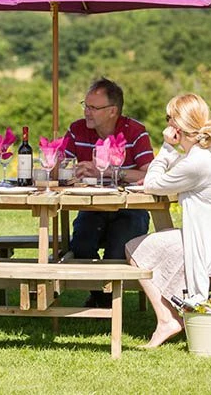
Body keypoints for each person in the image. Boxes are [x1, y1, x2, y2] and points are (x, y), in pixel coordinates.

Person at [125, 93, 211, 348]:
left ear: (177, 125)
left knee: (134, 248)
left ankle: (167, 320)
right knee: (162, 244)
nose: (166, 123)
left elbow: (152, 183)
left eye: (168, 118)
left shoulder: (197, 162)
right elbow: (182, 167)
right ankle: (175, 309)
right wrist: (171, 157)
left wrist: (166, 147)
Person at [64, 78, 154, 307]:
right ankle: (101, 298)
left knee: (118, 250)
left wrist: (112, 172)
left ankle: (106, 303)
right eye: (85, 105)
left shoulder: (135, 132)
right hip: (92, 206)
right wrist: (71, 169)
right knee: (80, 246)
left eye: (93, 108)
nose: (87, 112)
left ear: (113, 111)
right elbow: (59, 167)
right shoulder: (77, 130)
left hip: (130, 207)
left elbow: (149, 174)